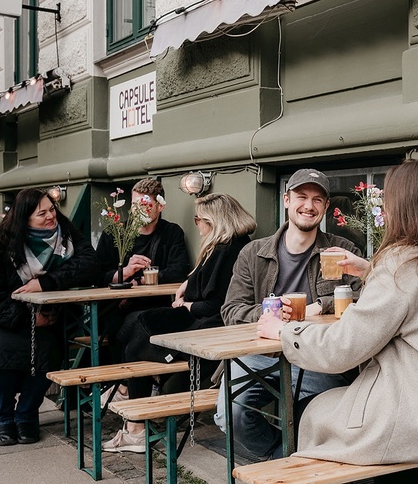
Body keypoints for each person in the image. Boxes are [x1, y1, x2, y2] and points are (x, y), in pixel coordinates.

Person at [257, 159, 418, 483]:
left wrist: (285, 332)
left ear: (401, 206)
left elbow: (343, 348)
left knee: (315, 412)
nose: (385, 208)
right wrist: (370, 269)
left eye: (388, 199)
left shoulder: (400, 263)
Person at [217, 168, 363, 460]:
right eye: (301, 197)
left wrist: (320, 305)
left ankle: (296, 463)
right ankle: (281, 459)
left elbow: (365, 298)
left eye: (317, 199)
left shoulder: (342, 250)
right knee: (231, 415)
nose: (309, 205)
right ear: (286, 200)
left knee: (316, 422)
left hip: (316, 355)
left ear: (325, 206)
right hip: (259, 355)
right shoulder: (253, 253)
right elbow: (231, 310)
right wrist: (270, 314)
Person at [101, 193, 257, 453]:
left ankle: (135, 427)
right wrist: (187, 284)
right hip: (200, 320)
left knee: (136, 344)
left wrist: (187, 305)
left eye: (198, 219)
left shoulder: (228, 251)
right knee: (134, 321)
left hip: (211, 330)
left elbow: (219, 305)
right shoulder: (224, 246)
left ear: (212, 221)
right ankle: (132, 394)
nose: (196, 224)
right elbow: (203, 284)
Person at [0, 188, 98, 447]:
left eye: (52, 209)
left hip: (51, 317)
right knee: (1, 357)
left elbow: (90, 263)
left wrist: (46, 282)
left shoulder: (66, 233)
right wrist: (26, 318)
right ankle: (3, 419)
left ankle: (27, 415)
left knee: (46, 354)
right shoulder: (2, 246)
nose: (51, 216)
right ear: (24, 218)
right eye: (42, 213)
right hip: (6, 319)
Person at [94, 177, 191, 363]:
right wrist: (126, 271)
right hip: (118, 309)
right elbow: (97, 275)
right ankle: (127, 375)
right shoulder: (115, 233)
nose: (138, 210)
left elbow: (179, 270)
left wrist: (141, 280)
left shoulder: (171, 232)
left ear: (160, 206)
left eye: (145, 204)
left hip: (158, 306)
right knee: (129, 326)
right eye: (135, 204)